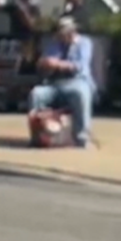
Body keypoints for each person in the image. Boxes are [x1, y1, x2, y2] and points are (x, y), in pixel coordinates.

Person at [29, 16, 95, 148]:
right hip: (55, 83)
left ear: (71, 32)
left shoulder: (84, 43)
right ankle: (38, 136)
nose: (60, 36)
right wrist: (43, 63)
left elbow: (79, 66)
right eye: (59, 33)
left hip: (77, 81)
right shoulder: (55, 44)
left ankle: (82, 138)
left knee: (81, 93)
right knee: (36, 94)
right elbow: (45, 61)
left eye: (63, 33)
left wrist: (57, 64)